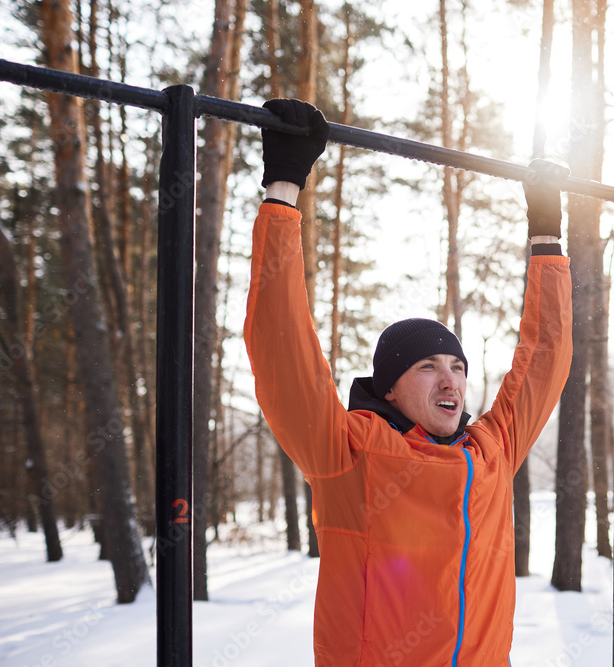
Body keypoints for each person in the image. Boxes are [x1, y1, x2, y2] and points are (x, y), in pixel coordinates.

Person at [244, 99, 573, 666]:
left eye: (458, 367)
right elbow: (282, 350)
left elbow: (544, 357)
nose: (450, 380)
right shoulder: (350, 453)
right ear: (389, 389)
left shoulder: (491, 452)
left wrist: (546, 235)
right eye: (428, 367)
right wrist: (283, 191)